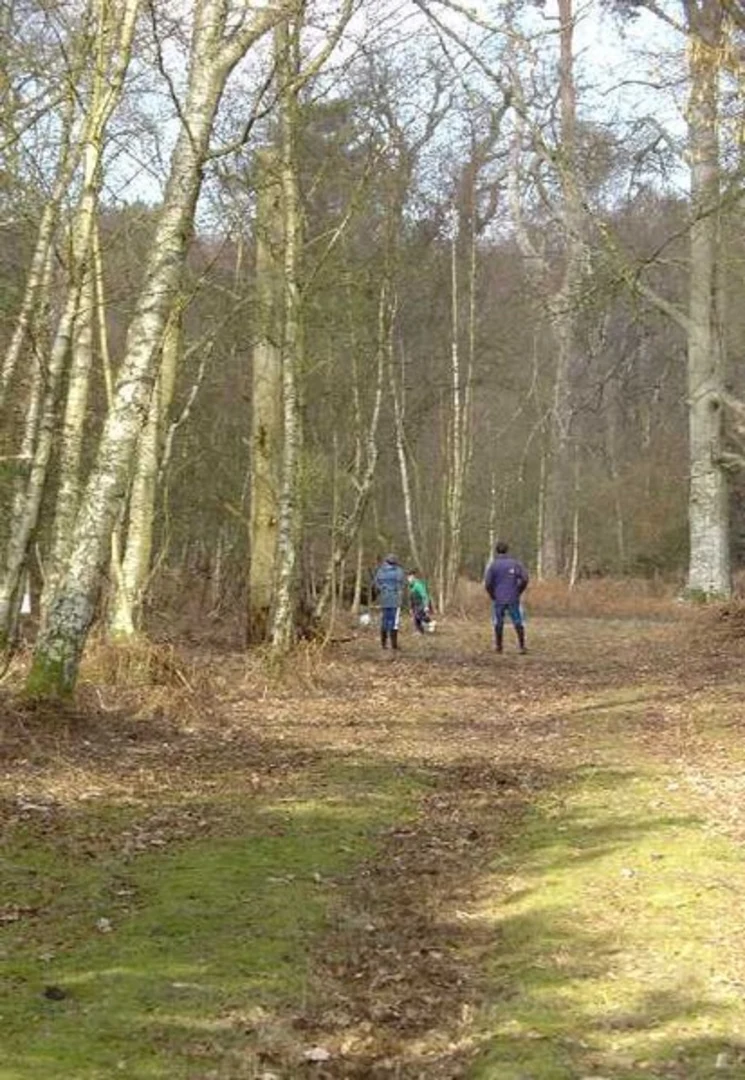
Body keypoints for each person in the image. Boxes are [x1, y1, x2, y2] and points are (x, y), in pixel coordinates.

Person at [484, 540, 529, 654]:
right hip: (513, 597)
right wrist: (519, 590)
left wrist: (493, 594)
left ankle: (499, 647)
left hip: (498, 598)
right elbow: (525, 578)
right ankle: (522, 646)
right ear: (507, 550)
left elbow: (488, 583)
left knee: (498, 622)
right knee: (518, 621)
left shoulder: (493, 565)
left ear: (496, 551)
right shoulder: (515, 564)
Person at [374, 553, 406, 649]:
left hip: (384, 598)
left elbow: (376, 583)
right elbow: (401, 585)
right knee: (394, 621)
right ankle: (394, 644)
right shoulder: (398, 571)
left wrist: (382, 589)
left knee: (384, 620)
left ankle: (383, 644)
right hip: (394, 598)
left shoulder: (380, 571)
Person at [407, 569, 433, 633]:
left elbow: (424, 595)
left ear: (413, 577)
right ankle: (420, 631)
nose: (409, 579)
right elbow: (411, 597)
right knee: (415, 617)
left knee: (419, 615)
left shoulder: (418, 584)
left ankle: (430, 623)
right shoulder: (411, 586)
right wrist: (411, 607)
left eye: (410, 577)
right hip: (415, 604)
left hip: (421, 602)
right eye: (408, 577)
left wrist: (426, 606)